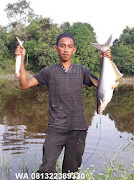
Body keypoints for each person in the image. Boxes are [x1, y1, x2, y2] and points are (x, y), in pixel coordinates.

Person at [15, 33, 111, 178]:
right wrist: (21, 58)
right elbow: (24, 84)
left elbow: (102, 85)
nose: (66, 50)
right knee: (45, 169)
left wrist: (104, 61)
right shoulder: (48, 72)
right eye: (62, 46)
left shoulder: (82, 71)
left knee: (71, 173)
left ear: (74, 50)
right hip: (56, 128)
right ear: (56, 49)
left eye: (69, 47)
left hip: (78, 128)